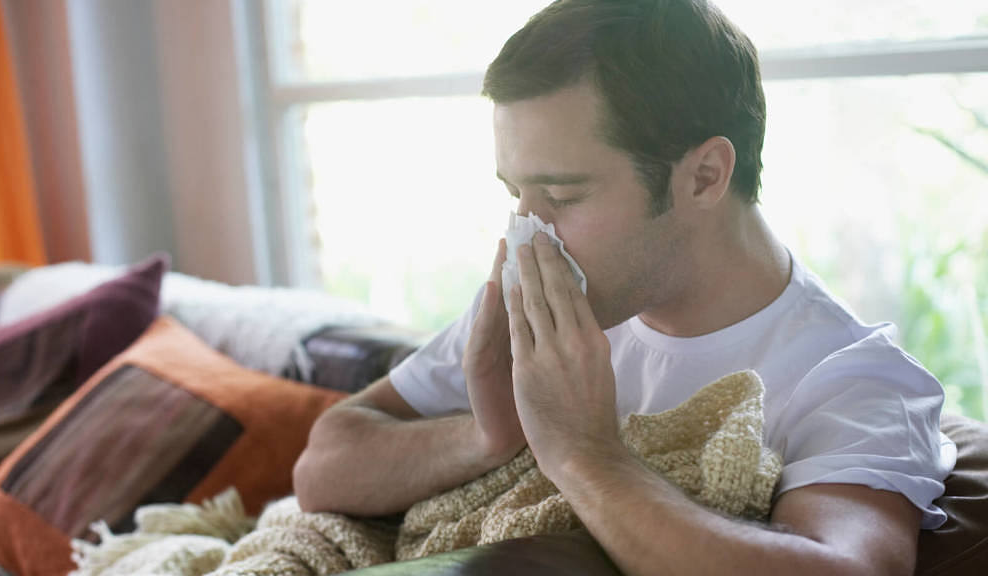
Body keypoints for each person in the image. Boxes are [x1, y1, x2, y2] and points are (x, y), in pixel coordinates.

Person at [293, 1, 956, 574]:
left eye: (560, 193)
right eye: (514, 192)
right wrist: (489, 435)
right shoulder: (547, 296)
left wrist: (582, 454)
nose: (527, 228)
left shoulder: (852, 381)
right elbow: (321, 468)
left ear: (703, 176)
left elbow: (843, 571)